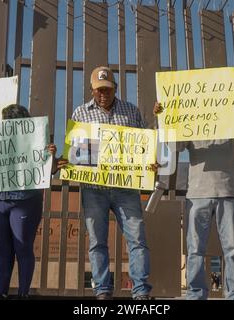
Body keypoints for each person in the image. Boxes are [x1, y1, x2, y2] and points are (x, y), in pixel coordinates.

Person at [154, 91, 234, 300]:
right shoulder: (192, 123)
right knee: (194, 250)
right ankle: (196, 294)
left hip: (228, 192)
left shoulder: (232, 122)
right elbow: (174, 145)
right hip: (197, 194)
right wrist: (162, 119)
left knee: (232, 249)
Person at [70, 66, 153, 300]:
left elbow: (145, 144)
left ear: (115, 88)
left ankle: (140, 291)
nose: (103, 94)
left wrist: (151, 160)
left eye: (107, 89)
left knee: (137, 238)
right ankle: (102, 290)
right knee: (97, 241)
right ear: (91, 90)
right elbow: (75, 153)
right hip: (94, 189)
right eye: (98, 90)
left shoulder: (131, 111)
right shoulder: (80, 113)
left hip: (126, 187)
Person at [0, 104, 57, 300]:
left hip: (25, 199)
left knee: (23, 247)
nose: (11, 126)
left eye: (16, 122)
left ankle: (23, 293)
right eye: (7, 122)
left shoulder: (37, 140)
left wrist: (50, 157)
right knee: (2, 250)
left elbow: (49, 171)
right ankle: (1, 293)